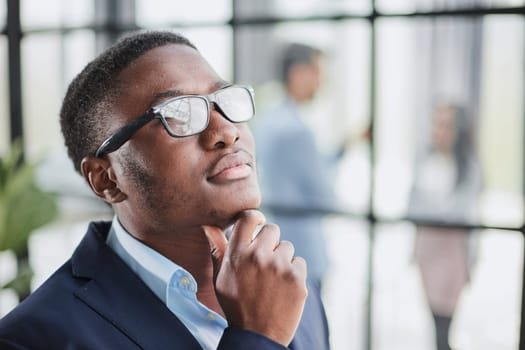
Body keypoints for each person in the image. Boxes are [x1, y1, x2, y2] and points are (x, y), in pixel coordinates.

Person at [0, 31, 330, 350]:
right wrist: (259, 339)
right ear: (106, 178)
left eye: (224, 100)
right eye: (178, 114)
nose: (227, 131)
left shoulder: (296, 288)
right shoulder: (30, 339)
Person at [255, 43, 344, 288]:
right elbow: (325, 197)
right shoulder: (297, 131)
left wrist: (341, 150)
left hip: (277, 243)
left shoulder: (268, 120)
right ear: (297, 74)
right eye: (317, 73)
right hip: (303, 253)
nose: (321, 82)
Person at [407, 103, 482, 350]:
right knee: (434, 325)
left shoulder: (469, 168)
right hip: (428, 250)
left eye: (446, 125)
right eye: (437, 124)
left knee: (444, 326)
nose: (439, 131)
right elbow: (412, 207)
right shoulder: (425, 161)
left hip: (453, 253)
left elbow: (458, 213)